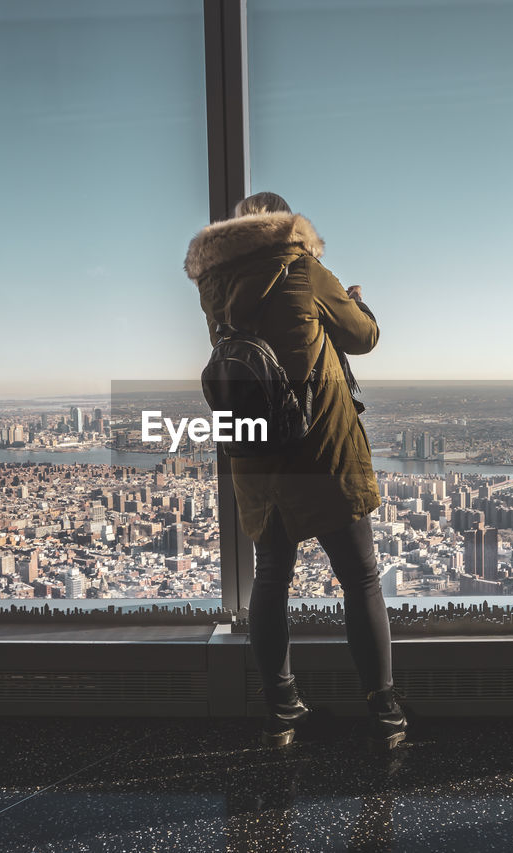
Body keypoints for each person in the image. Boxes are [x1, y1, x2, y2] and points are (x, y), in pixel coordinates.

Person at [184, 191, 407, 750]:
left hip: (255, 456)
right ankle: (384, 712)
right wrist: (356, 301)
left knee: (270, 579)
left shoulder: (214, 288)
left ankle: (281, 711)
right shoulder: (303, 267)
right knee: (359, 580)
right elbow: (364, 337)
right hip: (321, 449)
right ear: (286, 227)